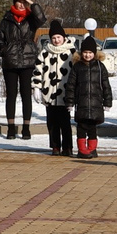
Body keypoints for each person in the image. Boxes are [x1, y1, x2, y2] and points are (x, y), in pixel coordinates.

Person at [0, 0, 39, 140]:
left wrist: (32, 4)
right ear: (14, 2)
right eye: (19, 1)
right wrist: (5, 51)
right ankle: (11, 128)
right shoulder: (6, 19)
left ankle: (26, 127)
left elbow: (42, 18)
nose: (21, 4)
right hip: (10, 62)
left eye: (24, 2)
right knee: (11, 95)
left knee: (26, 95)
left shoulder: (31, 18)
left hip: (27, 61)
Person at [33, 18, 75, 156]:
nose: (56, 40)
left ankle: (67, 147)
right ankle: (55, 146)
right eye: (54, 38)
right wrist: (37, 87)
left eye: (59, 37)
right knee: (52, 123)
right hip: (49, 94)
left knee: (65, 123)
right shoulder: (45, 52)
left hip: (65, 94)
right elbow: (38, 70)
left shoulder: (71, 52)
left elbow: (77, 72)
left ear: (63, 37)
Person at [69, 33, 112, 158]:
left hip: (95, 104)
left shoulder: (100, 67)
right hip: (81, 104)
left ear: (95, 53)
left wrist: (107, 101)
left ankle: (92, 149)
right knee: (81, 128)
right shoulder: (77, 67)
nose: (87, 55)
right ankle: (82, 150)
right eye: (85, 52)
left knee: (92, 129)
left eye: (90, 52)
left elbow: (106, 85)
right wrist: (70, 102)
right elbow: (71, 85)